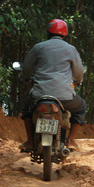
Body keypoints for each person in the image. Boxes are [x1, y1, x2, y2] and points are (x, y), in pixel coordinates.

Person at [19, 19, 86, 151]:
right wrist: (77, 81)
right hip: (65, 97)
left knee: (26, 111)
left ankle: (30, 141)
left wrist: (25, 78)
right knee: (81, 108)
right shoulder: (71, 49)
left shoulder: (38, 47)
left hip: (39, 95)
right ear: (65, 34)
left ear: (48, 33)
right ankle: (71, 140)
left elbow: (27, 68)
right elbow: (78, 72)